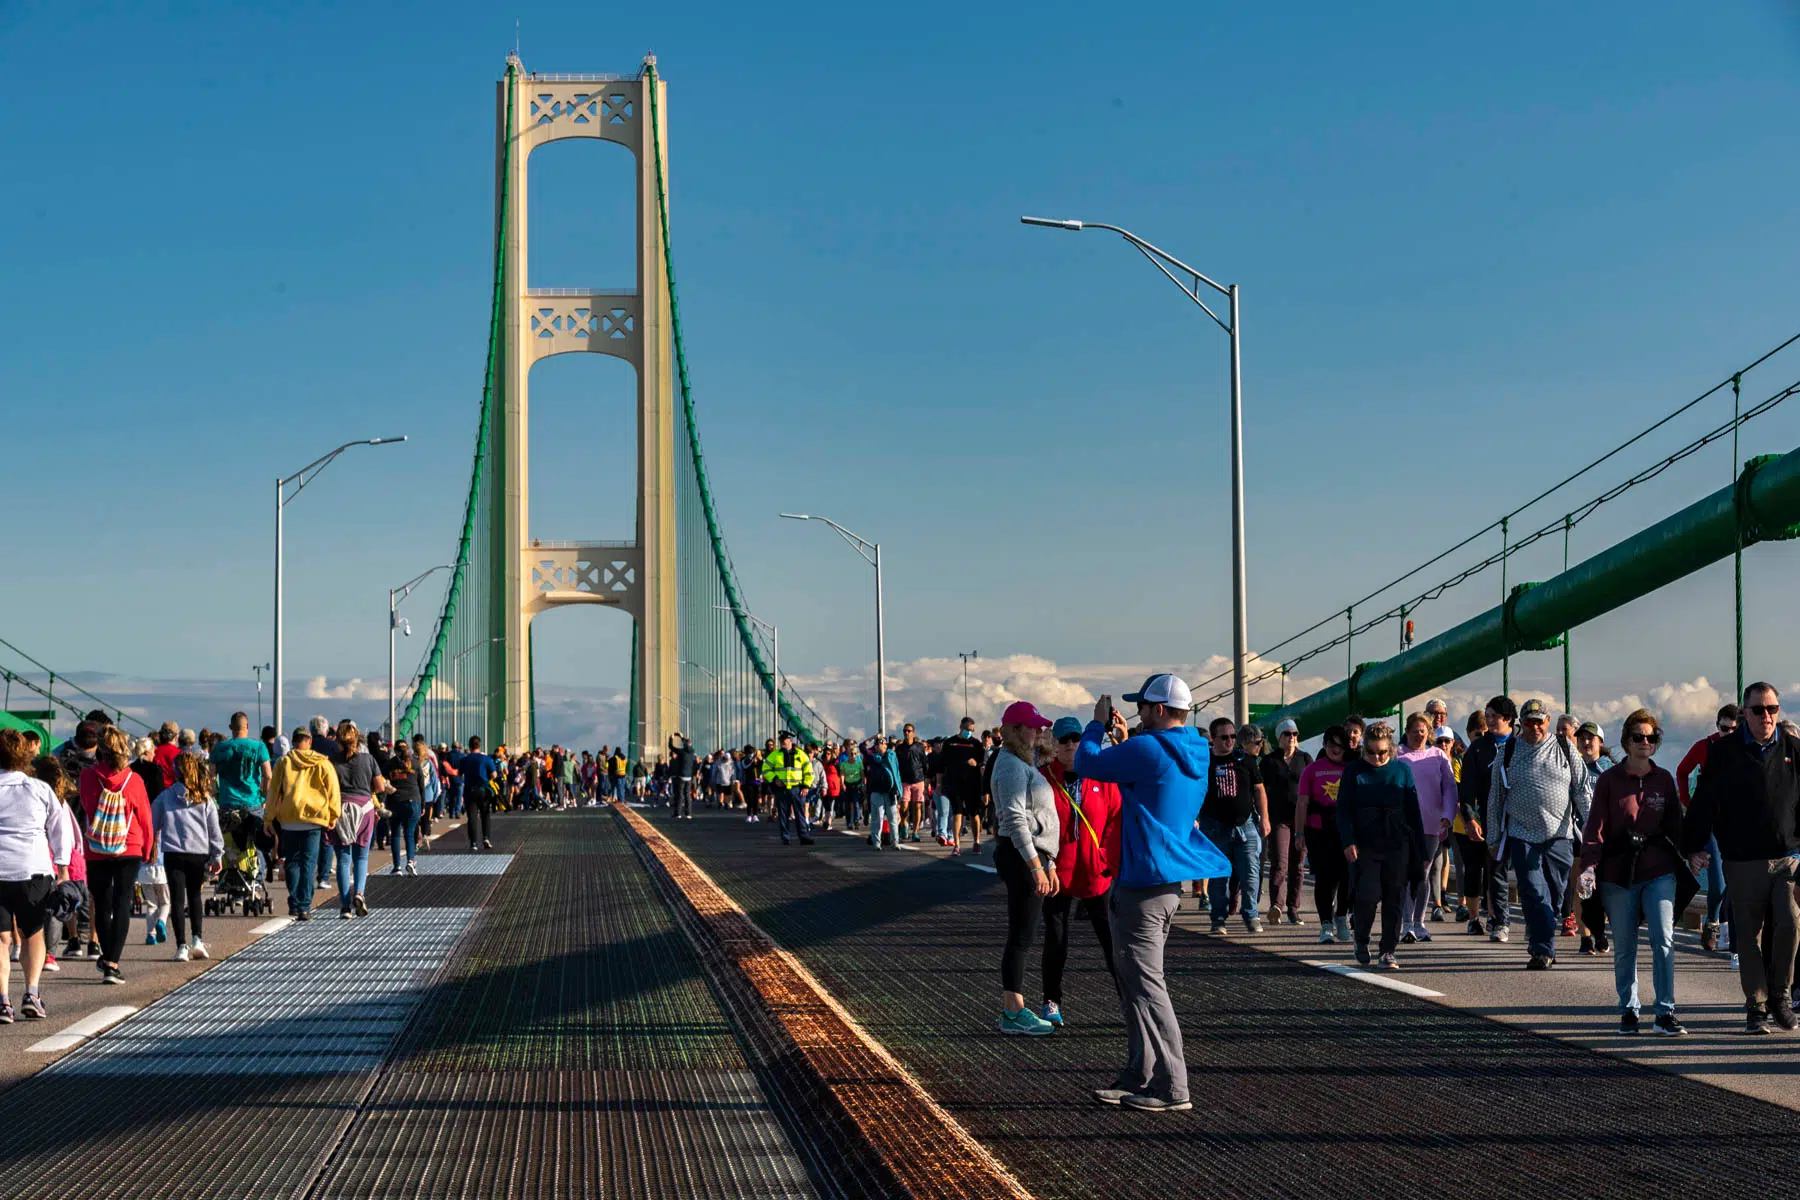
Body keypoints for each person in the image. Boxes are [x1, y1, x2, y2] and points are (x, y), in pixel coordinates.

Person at [1076, 673, 1228, 1114]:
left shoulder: (1146, 749)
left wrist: (1096, 726)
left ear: (1158, 709)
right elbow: (1151, 783)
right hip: (1163, 884)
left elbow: (1087, 763)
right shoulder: (1195, 751)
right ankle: (1139, 1075)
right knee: (1136, 983)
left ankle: (1172, 1086)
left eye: (1143, 706)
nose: (1139, 712)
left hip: (1140, 885)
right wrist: (1127, 739)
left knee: (1145, 984)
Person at [1684, 682, 1800, 1034]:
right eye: (1759, 710)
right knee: (1749, 935)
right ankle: (1757, 1005)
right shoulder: (1725, 753)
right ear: (1744, 712)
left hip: (1788, 857)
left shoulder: (1795, 749)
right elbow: (1704, 800)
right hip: (1742, 857)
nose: (1767, 716)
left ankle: (1781, 994)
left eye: (1773, 709)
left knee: (1791, 924)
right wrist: (1693, 845)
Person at [1579, 708, 1686, 1036]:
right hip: (1618, 871)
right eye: (1638, 737)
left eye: (1650, 738)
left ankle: (1665, 1013)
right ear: (1626, 741)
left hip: (1658, 869)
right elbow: (1595, 828)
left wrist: (1692, 855)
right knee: (1625, 944)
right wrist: (1588, 868)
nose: (1644, 742)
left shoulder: (1664, 780)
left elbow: (1677, 828)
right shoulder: (1610, 781)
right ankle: (1629, 1008)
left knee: (1663, 939)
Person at [1485, 698, 1589, 970]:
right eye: (1528, 722)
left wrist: (1591, 831)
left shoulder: (1566, 748)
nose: (1534, 728)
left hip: (1560, 834)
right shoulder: (1507, 751)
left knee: (1554, 895)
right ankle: (1543, 950)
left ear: (1548, 721)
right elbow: (1495, 796)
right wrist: (1493, 838)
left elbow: (1582, 792)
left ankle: (1539, 935)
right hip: (1522, 834)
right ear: (1521, 723)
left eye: (1539, 722)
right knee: (1533, 889)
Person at [1039, 715, 1121, 1026]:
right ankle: (1051, 1001)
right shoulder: (1044, 778)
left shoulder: (1102, 778)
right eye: (1064, 739)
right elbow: (1035, 824)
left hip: (1096, 873)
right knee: (1056, 939)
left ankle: (1127, 1000)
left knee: (1111, 940)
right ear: (1054, 744)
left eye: (1076, 738)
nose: (1071, 744)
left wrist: (1105, 856)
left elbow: (1116, 818)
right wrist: (1045, 864)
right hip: (1058, 873)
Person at [990, 702, 1060, 1036]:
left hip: (1032, 856)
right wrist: (1036, 867)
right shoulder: (1011, 767)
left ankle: (1013, 1009)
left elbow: (1039, 818)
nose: (1039, 731)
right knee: (1021, 935)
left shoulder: (1023, 763)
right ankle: (1013, 1011)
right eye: (1033, 727)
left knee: (1024, 933)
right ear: (1017, 730)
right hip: (1021, 857)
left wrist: (1051, 863)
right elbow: (1016, 820)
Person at [1338, 721, 1427, 969]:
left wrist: (1421, 849)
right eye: (1371, 752)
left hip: (1397, 842)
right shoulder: (1353, 771)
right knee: (1366, 896)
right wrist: (1348, 841)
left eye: (1382, 753)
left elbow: (1414, 812)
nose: (1376, 757)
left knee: (1394, 898)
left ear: (1391, 750)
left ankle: (1388, 950)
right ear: (1363, 749)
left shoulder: (1402, 771)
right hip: (1365, 843)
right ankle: (1361, 939)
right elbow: (1343, 810)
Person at [0, 730, 73, 1019]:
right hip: (33, 871)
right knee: (32, 933)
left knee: (2, 939)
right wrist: (64, 868)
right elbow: (59, 830)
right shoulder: (40, 789)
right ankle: (31, 993)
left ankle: (3, 1000)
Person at [78, 725, 155, 983]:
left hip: (96, 848)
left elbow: (89, 809)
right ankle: (112, 962)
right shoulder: (134, 780)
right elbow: (144, 817)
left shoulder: (88, 776)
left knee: (102, 904)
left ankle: (106, 954)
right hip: (128, 846)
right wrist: (148, 848)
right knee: (123, 902)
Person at [1675, 703, 1739, 951]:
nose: (1729, 734)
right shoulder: (1705, 746)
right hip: (1710, 823)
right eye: (1725, 729)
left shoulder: (1744, 748)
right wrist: (1688, 804)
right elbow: (1681, 771)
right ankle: (1713, 924)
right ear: (1717, 726)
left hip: (1737, 823)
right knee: (1718, 877)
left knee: (1738, 877)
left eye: (1735, 729)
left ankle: (1729, 926)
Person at [1198, 717, 1269, 935]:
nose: (1229, 741)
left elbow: (1259, 789)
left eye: (1232, 736)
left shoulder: (1245, 759)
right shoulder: (1205, 762)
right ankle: (1218, 918)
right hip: (1215, 827)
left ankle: (1251, 914)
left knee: (1250, 873)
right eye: (1224, 737)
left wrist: (1265, 818)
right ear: (1213, 738)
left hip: (1245, 825)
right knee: (1219, 877)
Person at [151, 750, 223, 961]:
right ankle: (197, 939)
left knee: (176, 899)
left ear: (176, 772)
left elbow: (153, 823)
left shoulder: (165, 796)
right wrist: (217, 855)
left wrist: (151, 845)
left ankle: (181, 945)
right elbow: (214, 829)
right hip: (198, 853)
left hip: (173, 853)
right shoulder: (205, 799)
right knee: (194, 897)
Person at [265, 727, 341, 921]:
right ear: (309, 741)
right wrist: (333, 814)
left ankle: (294, 900)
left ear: (294, 742)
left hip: (289, 819)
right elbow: (333, 790)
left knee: (292, 861)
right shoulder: (323, 763)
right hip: (313, 819)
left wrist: (269, 818)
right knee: (308, 863)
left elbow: (273, 792)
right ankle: (304, 906)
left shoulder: (283, 762)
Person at [1396, 713, 1457, 944]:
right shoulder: (1397, 754)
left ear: (1428, 731)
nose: (1418, 733)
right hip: (1403, 824)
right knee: (1406, 874)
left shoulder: (1439, 756)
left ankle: (1419, 923)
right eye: (1414, 729)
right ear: (1408, 730)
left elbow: (1450, 788)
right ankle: (1406, 924)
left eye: (1423, 730)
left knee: (1422, 874)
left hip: (1432, 824)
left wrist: (1448, 816)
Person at [1462, 697, 1516, 942]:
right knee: (1495, 872)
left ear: (1509, 718)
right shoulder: (1479, 748)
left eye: (1495, 716)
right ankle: (1499, 921)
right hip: (1490, 820)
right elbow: (1467, 789)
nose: (1490, 720)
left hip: (1520, 820)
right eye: (1488, 715)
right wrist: (1470, 818)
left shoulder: (1522, 744)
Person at [1294, 726, 1353, 943]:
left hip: (1347, 830)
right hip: (1319, 830)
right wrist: (1299, 832)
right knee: (1325, 879)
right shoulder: (1312, 770)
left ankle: (1341, 917)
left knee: (1348, 877)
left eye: (1339, 745)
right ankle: (1326, 924)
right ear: (1324, 745)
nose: (1335, 749)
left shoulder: (1352, 768)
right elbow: (1302, 802)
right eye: (1330, 745)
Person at [1261, 719, 1311, 925]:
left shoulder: (1305, 758)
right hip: (1279, 818)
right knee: (1280, 863)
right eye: (1287, 734)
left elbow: (1313, 786)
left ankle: (1293, 908)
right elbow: (1260, 788)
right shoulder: (1269, 761)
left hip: (1301, 819)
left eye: (1295, 734)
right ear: (1279, 737)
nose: (1292, 738)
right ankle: (1277, 906)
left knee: (1298, 865)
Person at [1573, 720, 1612, 955]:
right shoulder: (1573, 767)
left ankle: (1599, 930)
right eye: (1582, 738)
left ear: (1600, 742)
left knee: (1604, 890)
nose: (1586, 742)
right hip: (1578, 836)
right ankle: (1585, 937)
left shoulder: (1610, 770)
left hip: (1605, 839)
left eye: (1591, 738)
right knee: (1581, 888)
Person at [940, 716, 987, 857]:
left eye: (972, 730)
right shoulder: (950, 743)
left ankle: (977, 841)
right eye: (967, 729)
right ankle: (957, 845)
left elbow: (982, 763)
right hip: (955, 784)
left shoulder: (976, 744)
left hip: (972, 784)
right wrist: (941, 784)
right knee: (957, 813)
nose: (969, 732)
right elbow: (944, 763)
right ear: (961, 726)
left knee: (974, 814)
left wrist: (976, 764)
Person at [763, 730, 816, 846]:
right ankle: (785, 837)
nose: (782, 742)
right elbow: (765, 769)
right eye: (781, 740)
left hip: (797, 789)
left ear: (790, 741)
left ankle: (804, 836)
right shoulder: (775, 755)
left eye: (784, 740)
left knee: (800, 814)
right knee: (783, 815)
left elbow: (809, 771)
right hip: (781, 790)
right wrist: (774, 779)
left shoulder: (800, 754)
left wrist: (806, 785)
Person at [383, 740, 423, 876]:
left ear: (395, 750)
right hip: (413, 801)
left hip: (395, 801)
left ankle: (397, 867)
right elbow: (421, 785)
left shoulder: (390, 764)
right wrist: (422, 805)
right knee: (409, 833)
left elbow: (381, 782)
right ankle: (411, 861)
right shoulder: (416, 763)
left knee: (394, 834)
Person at [459, 735, 497, 850]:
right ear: (479, 745)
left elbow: (459, 774)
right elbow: (494, 775)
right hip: (484, 790)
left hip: (470, 791)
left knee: (472, 817)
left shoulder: (465, 760)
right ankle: (486, 838)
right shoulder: (487, 759)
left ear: (470, 746)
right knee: (485, 815)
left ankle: (473, 843)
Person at [863, 736, 902, 849]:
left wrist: (899, 790)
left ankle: (895, 842)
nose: (880, 746)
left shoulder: (891, 756)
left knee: (892, 818)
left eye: (882, 744)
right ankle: (876, 842)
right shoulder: (872, 758)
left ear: (886, 745)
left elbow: (896, 772)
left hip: (890, 792)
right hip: (876, 791)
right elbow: (862, 747)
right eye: (878, 744)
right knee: (877, 818)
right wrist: (872, 737)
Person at [896, 723, 930, 843]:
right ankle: (904, 825)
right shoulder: (899, 748)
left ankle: (915, 831)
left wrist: (926, 779)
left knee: (917, 806)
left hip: (918, 780)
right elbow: (897, 765)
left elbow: (925, 762)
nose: (906, 733)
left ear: (913, 732)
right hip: (905, 781)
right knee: (904, 806)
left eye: (909, 731)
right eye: (905, 731)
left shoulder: (919, 746)